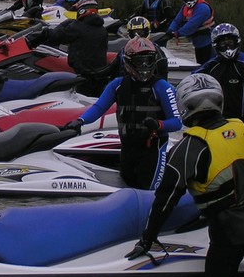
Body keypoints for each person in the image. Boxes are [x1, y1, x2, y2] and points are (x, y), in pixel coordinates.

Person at [126, 73, 244, 277]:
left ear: (185, 106)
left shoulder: (189, 146)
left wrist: (147, 240)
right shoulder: (240, 127)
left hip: (228, 232)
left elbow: (165, 198)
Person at [64, 36, 182, 189]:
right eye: (140, 61)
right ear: (128, 62)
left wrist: (158, 125)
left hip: (152, 149)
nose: (144, 66)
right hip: (127, 148)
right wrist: (80, 121)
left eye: (148, 60)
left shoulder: (162, 87)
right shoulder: (117, 85)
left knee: (149, 188)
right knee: (129, 186)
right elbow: (99, 107)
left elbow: (177, 123)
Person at [194, 23, 244, 147]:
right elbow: (191, 84)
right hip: (219, 122)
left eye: (230, 42)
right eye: (223, 43)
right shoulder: (211, 67)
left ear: (237, 41)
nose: (227, 46)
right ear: (216, 45)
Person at [28, 0, 108, 97]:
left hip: (82, 73)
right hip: (98, 74)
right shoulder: (102, 29)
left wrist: (58, 26)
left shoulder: (78, 26)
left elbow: (56, 38)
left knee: (81, 102)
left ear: (82, 10)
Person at [166, 0, 215, 64]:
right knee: (200, 64)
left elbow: (191, 25)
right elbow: (177, 21)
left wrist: (177, 33)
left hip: (208, 42)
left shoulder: (203, 8)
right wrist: (170, 30)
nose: (188, 0)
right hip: (198, 43)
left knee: (208, 65)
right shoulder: (185, 8)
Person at [111, 16, 169, 81]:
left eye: (141, 33)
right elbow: (113, 72)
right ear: (129, 34)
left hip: (149, 85)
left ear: (147, 32)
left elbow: (163, 74)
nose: (138, 36)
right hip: (127, 85)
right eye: (135, 33)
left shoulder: (157, 51)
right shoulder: (123, 51)